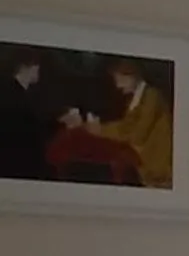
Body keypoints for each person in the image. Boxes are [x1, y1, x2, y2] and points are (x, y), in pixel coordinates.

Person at [62, 58, 174, 188]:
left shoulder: (152, 97)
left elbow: (138, 134)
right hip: (143, 160)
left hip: (156, 165)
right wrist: (100, 129)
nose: (117, 85)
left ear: (131, 76)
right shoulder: (136, 98)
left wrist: (101, 131)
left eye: (119, 80)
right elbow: (125, 126)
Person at [0, 52, 57, 182]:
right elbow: (31, 132)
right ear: (26, 66)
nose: (39, 69)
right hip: (16, 166)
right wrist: (62, 124)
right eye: (36, 65)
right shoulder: (14, 96)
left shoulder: (13, 92)